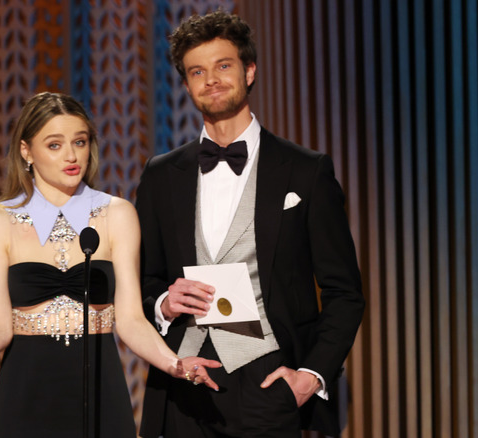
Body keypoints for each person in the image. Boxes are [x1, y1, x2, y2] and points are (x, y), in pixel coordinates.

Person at [0, 92, 220, 437]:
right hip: (26, 392)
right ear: (26, 151)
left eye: (79, 142)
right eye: (54, 145)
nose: (71, 156)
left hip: (100, 388)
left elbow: (130, 321)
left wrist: (175, 365)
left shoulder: (117, 214)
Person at [137, 10, 365, 438]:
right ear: (186, 84)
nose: (211, 80)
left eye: (223, 66)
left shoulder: (305, 171)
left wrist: (310, 376)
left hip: (269, 380)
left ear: (249, 70)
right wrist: (162, 306)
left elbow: (344, 293)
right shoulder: (161, 175)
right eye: (197, 71)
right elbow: (144, 279)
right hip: (184, 379)